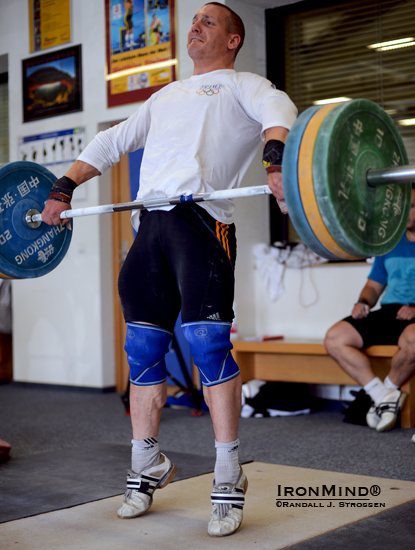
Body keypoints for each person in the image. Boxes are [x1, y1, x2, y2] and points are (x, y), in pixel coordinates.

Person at [41, 2, 297, 537]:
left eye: (209, 21)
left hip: (201, 221)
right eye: (195, 20)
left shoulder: (244, 84)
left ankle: (229, 473)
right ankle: (146, 463)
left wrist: (275, 163)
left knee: (207, 346)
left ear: (232, 39)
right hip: (148, 225)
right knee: (142, 351)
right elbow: (111, 142)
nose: (196, 26)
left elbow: (281, 112)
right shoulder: (164, 96)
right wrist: (64, 187)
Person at [325, 184, 415, 433]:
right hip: (390, 311)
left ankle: (384, 392)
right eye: (403, 207)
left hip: (414, 317)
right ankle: (383, 396)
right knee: (335, 337)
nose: (405, 212)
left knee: (414, 339)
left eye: (413, 207)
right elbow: (374, 287)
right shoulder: (390, 244)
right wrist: (363, 302)